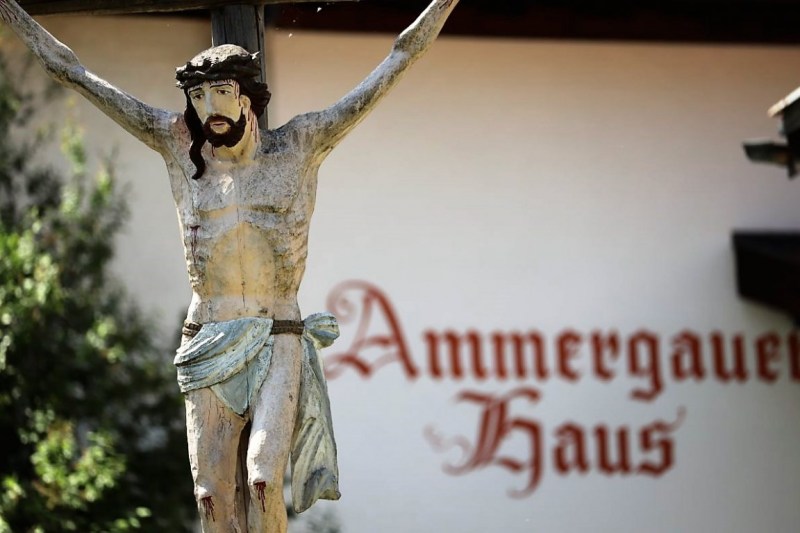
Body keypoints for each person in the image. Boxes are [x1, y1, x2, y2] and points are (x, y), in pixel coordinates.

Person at [0, 0, 459, 531]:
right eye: (198, 96)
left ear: (246, 97)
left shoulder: (299, 147)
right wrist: (16, 16)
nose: (209, 106)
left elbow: (390, 67)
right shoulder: (177, 146)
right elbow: (75, 73)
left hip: (275, 334)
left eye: (221, 92)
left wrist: (432, 17)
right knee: (210, 496)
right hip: (208, 337)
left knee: (263, 478)